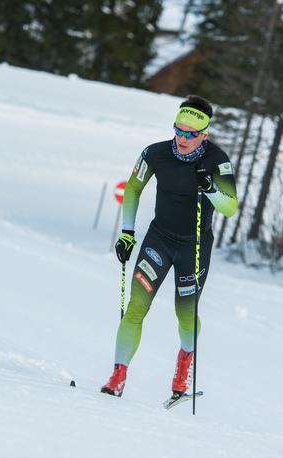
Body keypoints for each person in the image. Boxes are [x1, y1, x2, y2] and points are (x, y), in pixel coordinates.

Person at [101, 95, 238, 399]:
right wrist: (126, 233)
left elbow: (230, 207)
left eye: (191, 133)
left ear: (205, 134)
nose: (183, 138)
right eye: (179, 129)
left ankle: (184, 364)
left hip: (195, 248)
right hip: (159, 240)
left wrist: (211, 187)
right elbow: (134, 189)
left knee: (185, 315)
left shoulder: (217, 160)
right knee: (136, 307)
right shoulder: (155, 153)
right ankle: (117, 376)